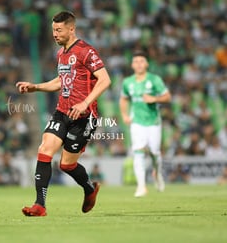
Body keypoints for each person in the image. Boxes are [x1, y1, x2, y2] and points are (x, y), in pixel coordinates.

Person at [16, 11, 111, 216]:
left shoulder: (86, 51)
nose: (55, 34)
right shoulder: (61, 54)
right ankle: (40, 205)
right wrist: (36, 87)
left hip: (84, 117)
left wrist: (85, 103)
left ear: (71, 28)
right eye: (53, 30)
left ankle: (90, 188)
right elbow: (61, 81)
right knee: (45, 149)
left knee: (67, 165)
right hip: (62, 112)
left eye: (59, 30)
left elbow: (105, 80)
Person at [119, 51, 172, 197]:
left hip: (153, 122)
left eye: (142, 61)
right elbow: (123, 99)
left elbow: (167, 97)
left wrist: (155, 99)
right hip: (137, 122)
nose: (139, 64)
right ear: (132, 65)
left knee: (155, 153)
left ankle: (157, 174)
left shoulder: (154, 80)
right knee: (138, 151)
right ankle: (141, 186)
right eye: (136, 61)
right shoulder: (127, 82)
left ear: (147, 64)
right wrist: (124, 114)